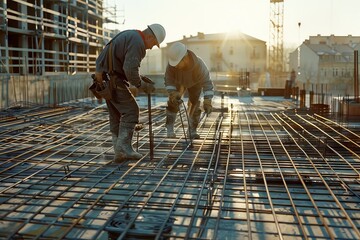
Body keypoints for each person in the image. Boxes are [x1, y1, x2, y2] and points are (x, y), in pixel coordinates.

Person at [95, 24, 166, 163]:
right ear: (150, 36)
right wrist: (141, 85)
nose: (152, 47)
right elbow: (130, 69)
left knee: (116, 115)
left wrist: (139, 77)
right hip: (113, 80)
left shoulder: (130, 35)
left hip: (105, 79)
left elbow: (126, 66)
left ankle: (118, 151)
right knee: (131, 111)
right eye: (154, 43)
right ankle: (124, 148)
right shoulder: (137, 42)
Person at [164, 42, 214, 139]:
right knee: (173, 102)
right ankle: (169, 127)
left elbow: (207, 83)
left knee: (194, 105)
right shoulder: (171, 65)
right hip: (178, 83)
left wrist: (208, 101)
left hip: (195, 84)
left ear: (185, 57)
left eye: (178, 63)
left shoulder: (199, 65)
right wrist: (172, 93)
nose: (176, 66)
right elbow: (168, 80)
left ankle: (192, 130)